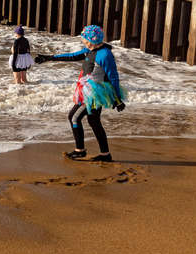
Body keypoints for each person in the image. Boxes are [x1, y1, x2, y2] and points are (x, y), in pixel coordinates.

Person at [34, 25, 127, 162]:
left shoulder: (104, 54)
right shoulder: (89, 50)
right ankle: (105, 154)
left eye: (84, 37)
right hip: (87, 90)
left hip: (95, 93)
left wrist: (117, 98)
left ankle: (80, 151)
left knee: (74, 117)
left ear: (90, 40)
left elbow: (113, 76)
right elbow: (71, 56)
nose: (82, 39)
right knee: (93, 121)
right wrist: (49, 58)